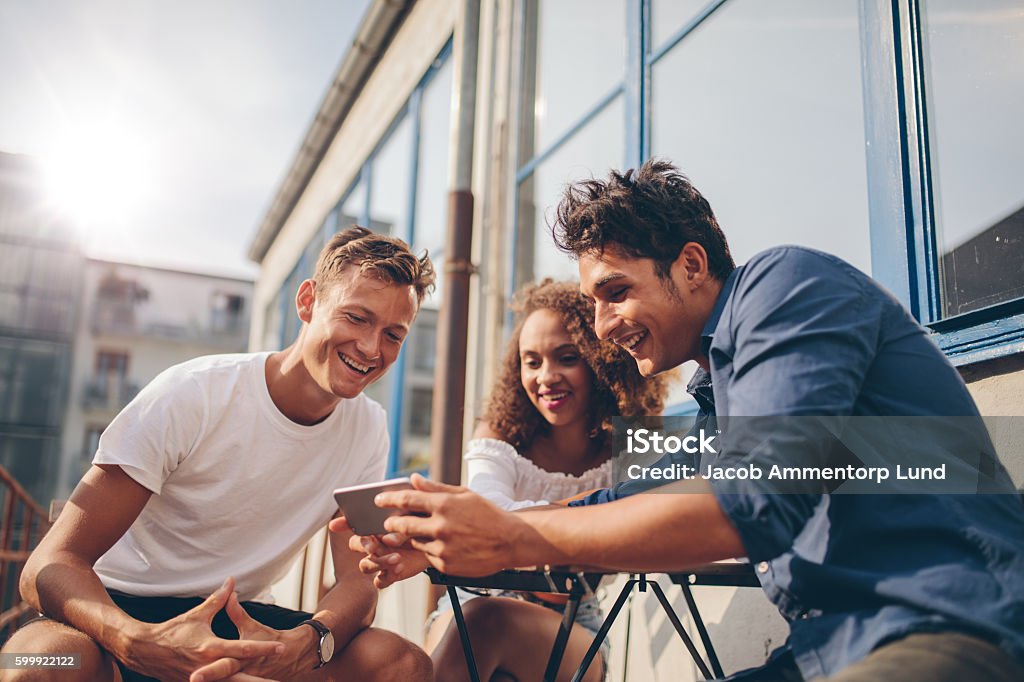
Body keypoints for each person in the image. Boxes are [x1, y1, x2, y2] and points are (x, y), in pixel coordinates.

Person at [342, 161, 1024, 681]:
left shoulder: (785, 288)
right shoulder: (717, 392)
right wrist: (444, 539)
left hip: (952, 623)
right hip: (827, 648)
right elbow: (622, 499)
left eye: (616, 293)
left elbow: (755, 499)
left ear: (692, 265)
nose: (605, 327)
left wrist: (513, 537)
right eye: (593, 302)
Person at [4, 227, 435, 682]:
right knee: (28, 665)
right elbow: (44, 567)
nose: (372, 349)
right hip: (113, 609)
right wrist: (132, 640)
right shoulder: (193, 393)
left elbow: (357, 578)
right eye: (356, 317)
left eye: (393, 334)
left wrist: (312, 640)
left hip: (238, 621)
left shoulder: (369, 429)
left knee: (403, 664)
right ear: (307, 302)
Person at [359, 279, 667, 682]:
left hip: (574, 619)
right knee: (476, 618)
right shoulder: (498, 436)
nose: (546, 377)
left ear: (601, 360)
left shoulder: (634, 446)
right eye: (532, 361)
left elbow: (641, 520)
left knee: (484, 623)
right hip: (469, 600)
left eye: (567, 357)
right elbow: (492, 511)